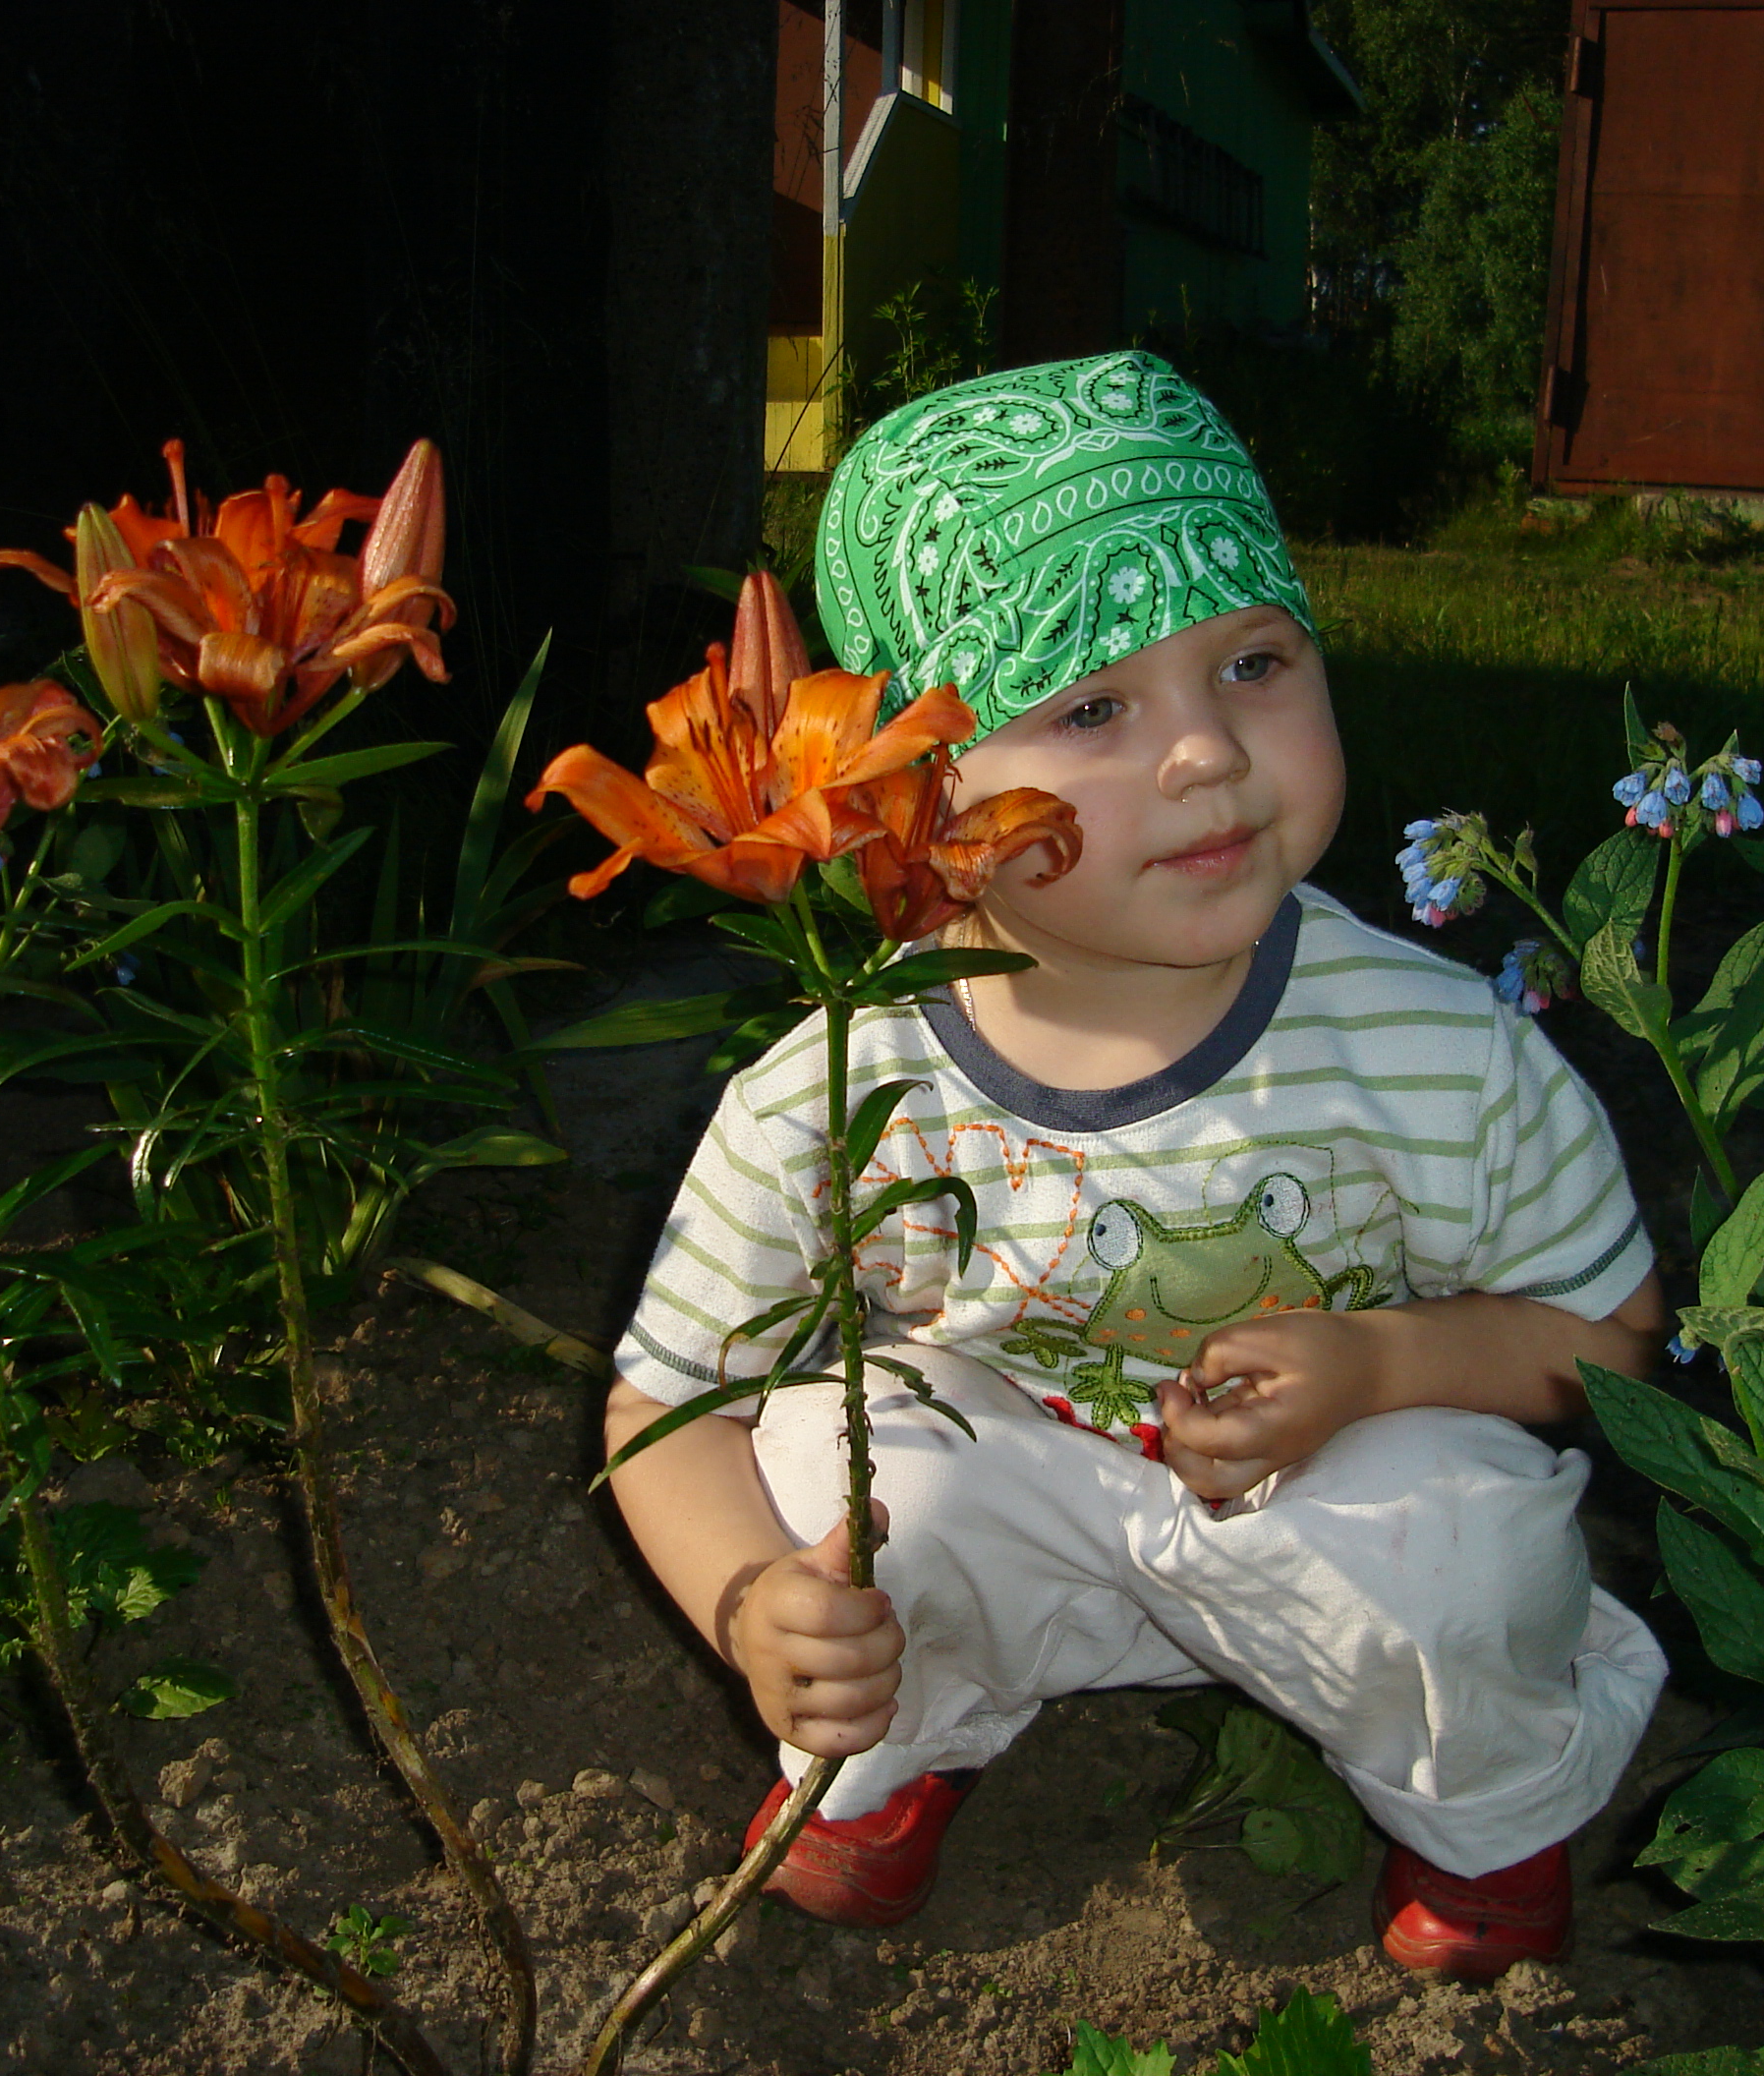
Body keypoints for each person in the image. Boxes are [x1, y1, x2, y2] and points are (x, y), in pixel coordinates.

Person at [600, 351, 1668, 1980]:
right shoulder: (840, 1079)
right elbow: (664, 1408)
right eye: (1093, 708)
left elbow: (1611, 1337)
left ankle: (1486, 1802)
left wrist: (1385, 1364)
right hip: (1012, 1514)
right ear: (916, 797)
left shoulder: (1440, 1046)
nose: (1206, 755)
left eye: (1253, 664)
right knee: (835, 1467)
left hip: (1335, 1526)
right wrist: (751, 1604)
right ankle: (900, 1733)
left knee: (1476, 1545)